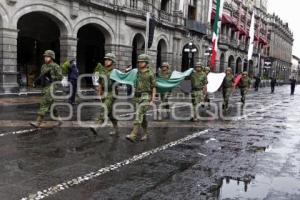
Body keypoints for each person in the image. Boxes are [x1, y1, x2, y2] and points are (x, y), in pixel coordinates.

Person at [126, 54, 156, 142]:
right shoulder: (137, 72)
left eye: (142, 62)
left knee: (139, 114)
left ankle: (133, 134)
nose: (140, 63)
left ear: (146, 63)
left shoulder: (150, 73)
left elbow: (154, 87)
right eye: (139, 62)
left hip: (146, 96)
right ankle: (146, 133)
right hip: (137, 97)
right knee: (143, 117)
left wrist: (152, 100)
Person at [30, 50, 63, 128]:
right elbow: (41, 76)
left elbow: (60, 77)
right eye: (45, 56)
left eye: (47, 56)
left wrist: (51, 77)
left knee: (44, 102)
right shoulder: (43, 66)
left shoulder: (56, 66)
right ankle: (59, 119)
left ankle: (38, 122)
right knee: (51, 104)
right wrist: (36, 81)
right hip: (45, 87)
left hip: (52, 86)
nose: (45, 58)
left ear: (51, 57)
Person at [90, 53, 119, 136]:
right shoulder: (102, 71)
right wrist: (99, 93)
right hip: (104, 93)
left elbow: (122, 81)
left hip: (112, 93)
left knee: (105, 108)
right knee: (110, 114)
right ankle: (116, 128)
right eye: (106, 59)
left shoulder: (115, 72)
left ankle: (97, 126)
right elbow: (100, 83)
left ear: (113, 61)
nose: (106, 61)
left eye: (109, 60)